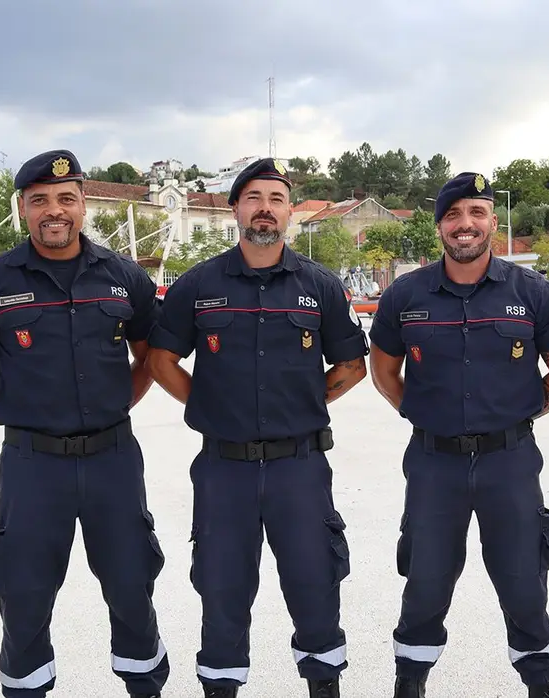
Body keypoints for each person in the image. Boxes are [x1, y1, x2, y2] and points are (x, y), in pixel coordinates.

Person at [0, 149, 169, 698]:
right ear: (23, 209)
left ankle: (144, 686)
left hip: (113, 461)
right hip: (32, 467)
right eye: (40, 200)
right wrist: (22, 419)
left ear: (83, 206)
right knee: (23, 590)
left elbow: (150, 360)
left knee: (131, 583)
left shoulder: (125, 278)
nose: (55, 210)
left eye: (66, 199)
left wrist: (117, 406)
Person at [146, 157, 369, 698]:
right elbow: (160, 360)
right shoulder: (198, 285)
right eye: (254, 198)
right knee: (222, 589)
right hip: (224, 469)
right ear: (235, 208)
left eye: (275, 198)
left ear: (289, 211)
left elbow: (351, 366)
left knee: (316, 584)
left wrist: (310, 401)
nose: (265, 209)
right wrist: (208, 403)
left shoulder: (321, 285)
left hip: (301, 467)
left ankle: (324, 685)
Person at [368, 172, 549, 698]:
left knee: (522, 583)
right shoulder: (406, 294)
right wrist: (423, 414)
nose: (464, 225)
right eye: (452, 215)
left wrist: (519, 416)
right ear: (439, 225)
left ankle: (541, 682)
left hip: (509, 463)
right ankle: (410, 682)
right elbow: (383, 371)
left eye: (476, 213)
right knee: (424, 582)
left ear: (493, 220)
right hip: (432, 462)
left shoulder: (530, 292)